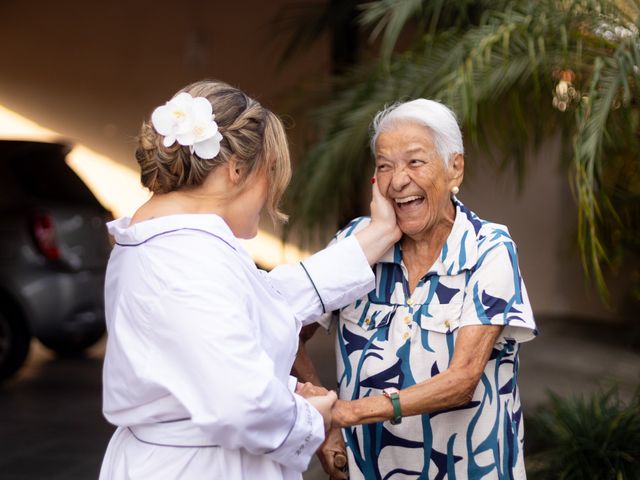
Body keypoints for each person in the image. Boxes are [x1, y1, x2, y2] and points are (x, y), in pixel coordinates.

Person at [99, 80, 401, 480]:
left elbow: (266, 300)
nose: (272, 193)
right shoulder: (186, 259)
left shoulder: (171, 243)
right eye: (269, 173)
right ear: (236, 169)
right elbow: (241, 403)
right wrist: (312, 414)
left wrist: (380, 232)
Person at [294, 99, 538, 479]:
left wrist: (347, 412)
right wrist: (327, 431)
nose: (397, 180)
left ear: (454, 167)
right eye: (384, 165)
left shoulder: (487, 249)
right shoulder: (356, 244)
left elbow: (462, 381)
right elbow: (285, 328)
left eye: (414, 162)